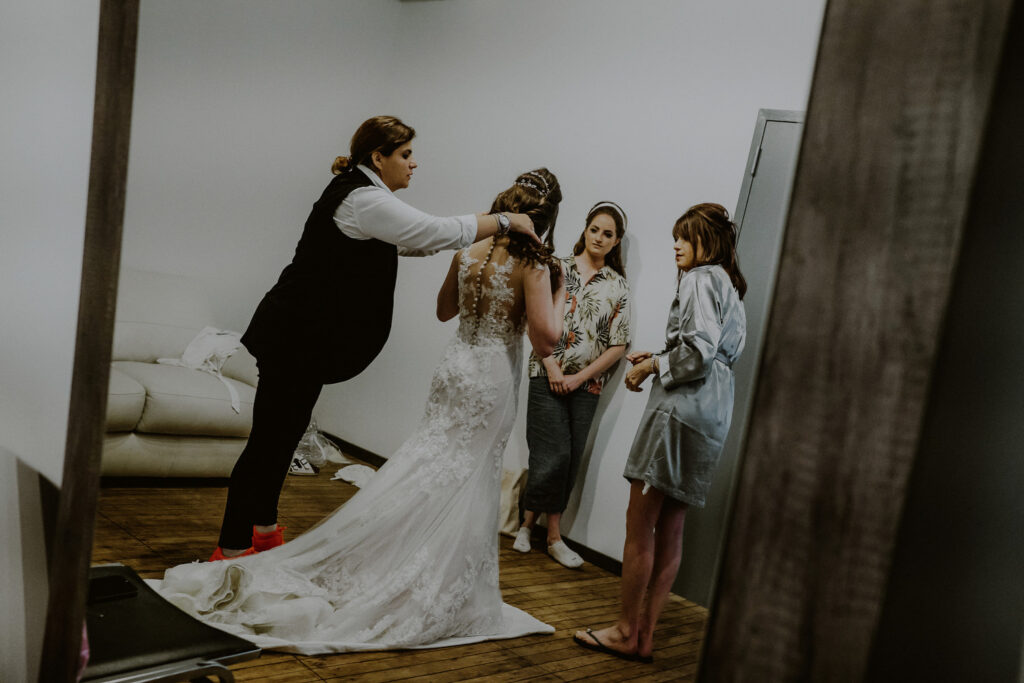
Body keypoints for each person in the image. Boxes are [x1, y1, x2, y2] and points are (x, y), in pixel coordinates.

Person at [152, 169, 567, 654]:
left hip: (455, 368)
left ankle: (382, 559)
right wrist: (560, 292)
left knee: (429, 463)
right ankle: (442, 585)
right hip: (492, 375)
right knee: (467, 477)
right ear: (546, 216)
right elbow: (546, 339)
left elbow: (443, 311)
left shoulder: (468, 252)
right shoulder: (538, 266)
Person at [212, 115, 541, 560]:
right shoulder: (362, 199)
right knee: (269, 442)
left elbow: (418, 242)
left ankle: (265, 531)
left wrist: (483, 224)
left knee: (284, 436)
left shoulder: (367, 199)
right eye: (405, 154)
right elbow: (433, 230)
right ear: (378, 157)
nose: (413, 164)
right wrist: (504, 220)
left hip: (301, 339)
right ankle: (231, 546)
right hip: (292, 335)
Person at [573, 203, 747, 662]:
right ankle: (644, 637)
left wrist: (653, 365)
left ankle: (626, 630)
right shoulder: (729, 285)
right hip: (712, 416)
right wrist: (665, 353)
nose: (676, 246)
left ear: (706, 243)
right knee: (672, 527)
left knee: (640, 523)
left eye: (684, 238)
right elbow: (713, 353)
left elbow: (699, 353)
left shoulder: (698, 279)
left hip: (679, 414)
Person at [513, 201, 632, 568]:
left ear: (616, 242)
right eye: (594, 229)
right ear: (585, 230)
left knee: (569, 459)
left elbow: (618, 344)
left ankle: (541, 530)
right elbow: (532, 321)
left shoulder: (618, 286)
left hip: (587, 386)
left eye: (607, 234)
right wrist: (551, 366)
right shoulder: (555, 269)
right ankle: (537, 530)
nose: (599, 237)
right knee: (552, 454)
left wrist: (581, 376)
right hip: (545, 374)